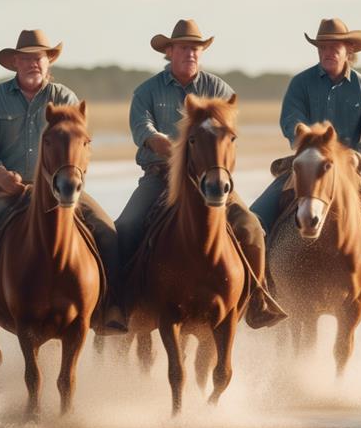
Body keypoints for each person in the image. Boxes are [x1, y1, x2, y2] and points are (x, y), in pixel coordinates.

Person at [0, 30, 126, 331]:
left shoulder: (65, 98)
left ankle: (111, 305)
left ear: (48, 61)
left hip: (60, 190)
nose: (33, 63)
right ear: (15, 62)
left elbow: (79, 144)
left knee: (107, 231)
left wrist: (70, 178)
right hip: (9, 190)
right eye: (26, 58)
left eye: (39, 57)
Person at [115, 19, 287, 327]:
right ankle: (120, 302)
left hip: (211, 178)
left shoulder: (220, 90)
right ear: (169, 52)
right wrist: (163, 143)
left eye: (196, 48)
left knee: (252, 228)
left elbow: (228, 134)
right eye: (183, 48)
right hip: (161, 176)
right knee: (126, 227)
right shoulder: (146, 91)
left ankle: (259, 297)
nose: (190, 53)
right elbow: (143, 129)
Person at [250, 18, 361, 306]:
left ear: (349, 49)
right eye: (322, 46)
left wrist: (360, 155)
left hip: (347, 171)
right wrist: (301, 134)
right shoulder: (301, 83)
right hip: (306, 167)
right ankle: (260, 293)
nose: (328, 51)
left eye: (334, 45)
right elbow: (290, 118)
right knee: (254, 219)